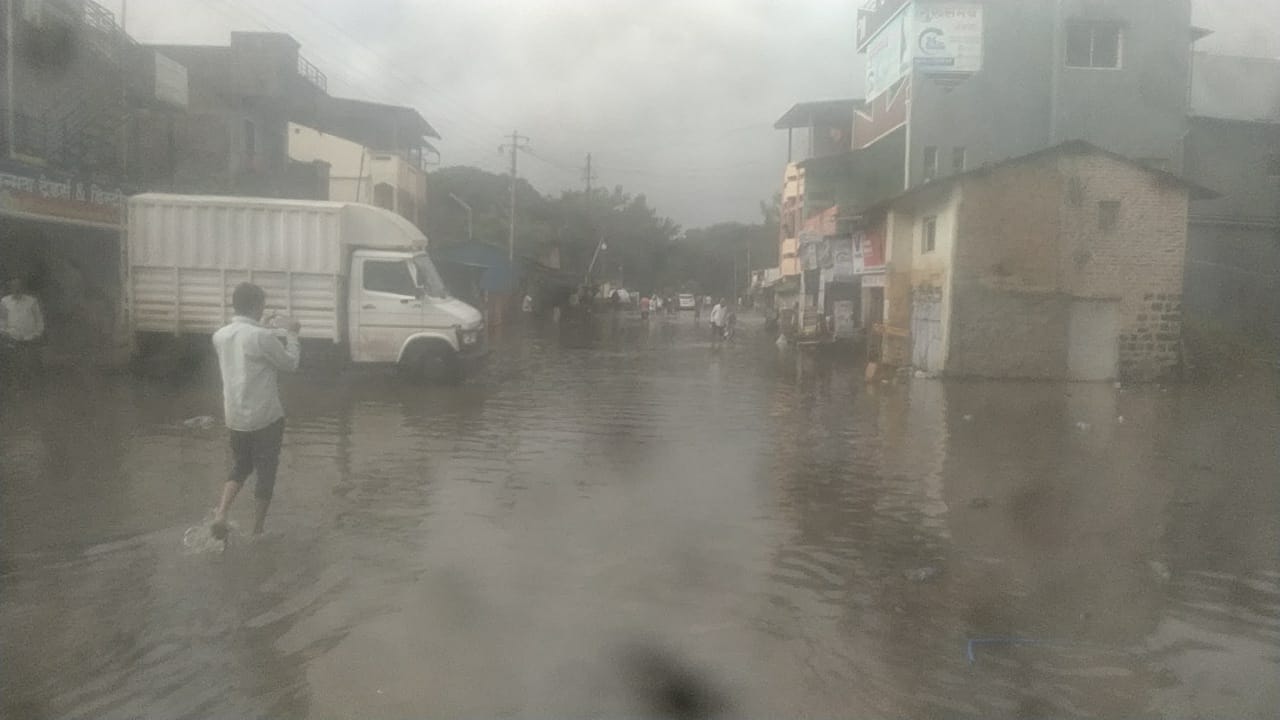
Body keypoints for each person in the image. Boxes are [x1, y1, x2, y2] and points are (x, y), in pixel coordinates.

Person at [209, 283, 301, 540]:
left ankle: (221, 514)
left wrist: (265, 327)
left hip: (235, 417)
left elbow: (248, 340)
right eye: (262, 305)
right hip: (265, 417)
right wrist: (292, 334)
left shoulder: (220, 335)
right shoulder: (262, 337)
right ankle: (257, 531)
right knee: (266, 471)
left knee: (241, 465)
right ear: (257, 306)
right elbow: (290, 363)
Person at [0, 278, 44, 373]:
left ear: (22, 287)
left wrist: (37, 334)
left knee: (30, 366)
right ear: (10, 288)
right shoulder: (4, 301)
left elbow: (39, 319)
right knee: (14, 366)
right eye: (14, 286)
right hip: (12, 338)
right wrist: (5, 333)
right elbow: (2, 320)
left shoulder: (32, 301)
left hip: (30, 338)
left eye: (18, 286)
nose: (16, 288)